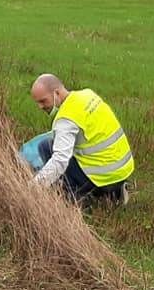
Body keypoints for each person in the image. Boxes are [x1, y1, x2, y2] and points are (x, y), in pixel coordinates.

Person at [30, 74, 134, 204]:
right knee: (54, 145)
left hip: (101, 178)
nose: (40, 106)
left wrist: (33, 187)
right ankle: (116, 193)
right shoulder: (87, 95)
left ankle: (73, 198)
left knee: (45, 147)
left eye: (43, 101)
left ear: (56, 93)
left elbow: (59, 161)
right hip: (123, 170)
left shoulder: (65, 120)